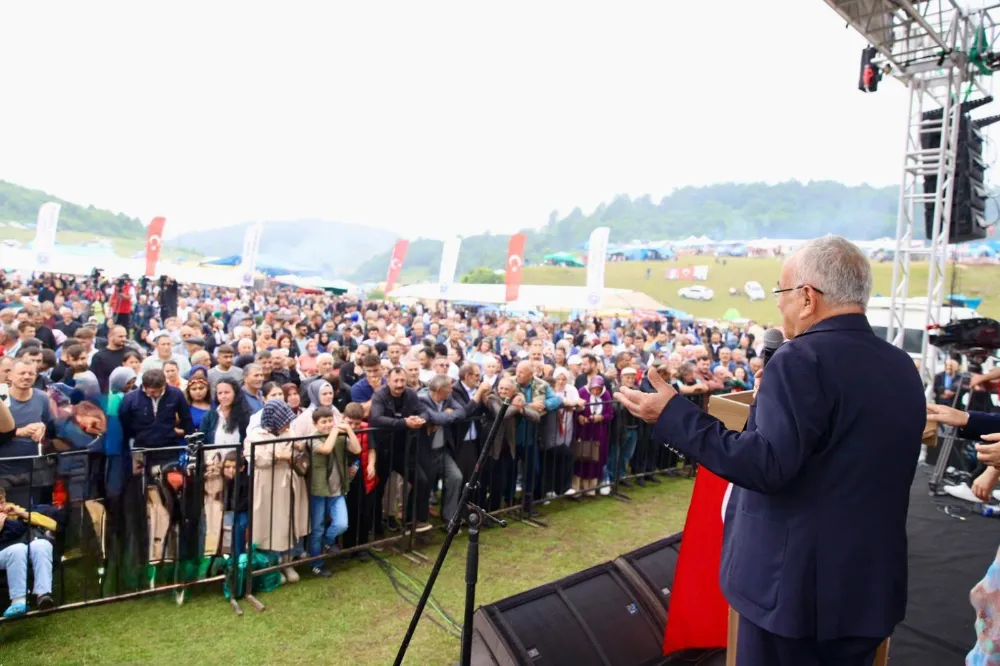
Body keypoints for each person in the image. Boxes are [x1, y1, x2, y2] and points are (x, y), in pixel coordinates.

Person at [615, 236, 925, 666]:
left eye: (781, 293)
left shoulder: (801, 359)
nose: (778, 306)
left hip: (796, 598)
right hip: (867, 591)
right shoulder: (901, 365)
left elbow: (766, 466)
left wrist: (672, 414)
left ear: (806, 297)